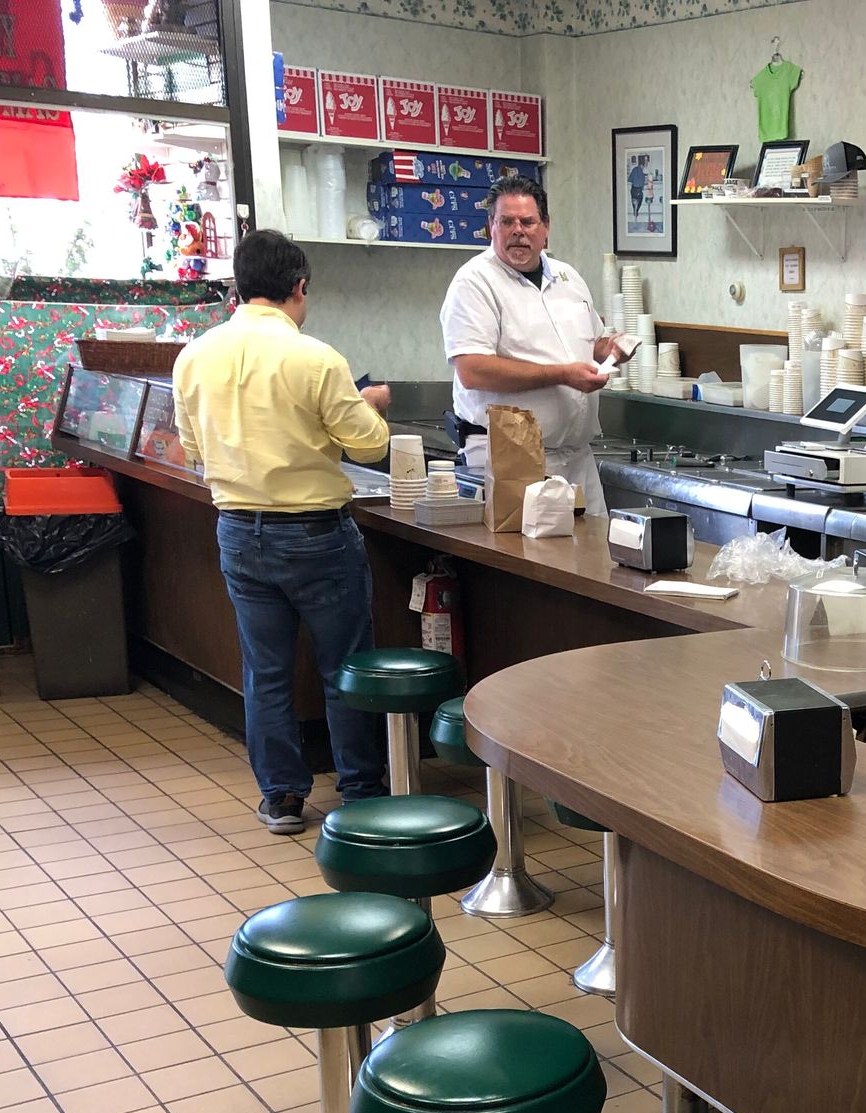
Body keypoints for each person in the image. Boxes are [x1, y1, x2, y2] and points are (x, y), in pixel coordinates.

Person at [173, 229, 392, 834]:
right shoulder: (316, 358)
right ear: (299, 287)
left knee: (264, 670)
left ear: (239, 288)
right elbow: (368, 444)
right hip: (317, 534)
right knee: (343, 665)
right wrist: (368, 402)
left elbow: (193, 450)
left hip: (239, 531)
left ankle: (282, 798)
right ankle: (362, 793)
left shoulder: (194, 356)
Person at [439, 174, 631, 513]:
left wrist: (611, 350)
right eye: (506, 221)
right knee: (528, 562)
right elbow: (473, 370)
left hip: (576, 458)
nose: (518, 231)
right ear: (490, 227)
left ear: (545, 227)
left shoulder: (567, 277)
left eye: (528, 221)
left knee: (592, 562)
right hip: (510, 458)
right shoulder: (474, 282)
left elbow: (591, 343)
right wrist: (561, 374)